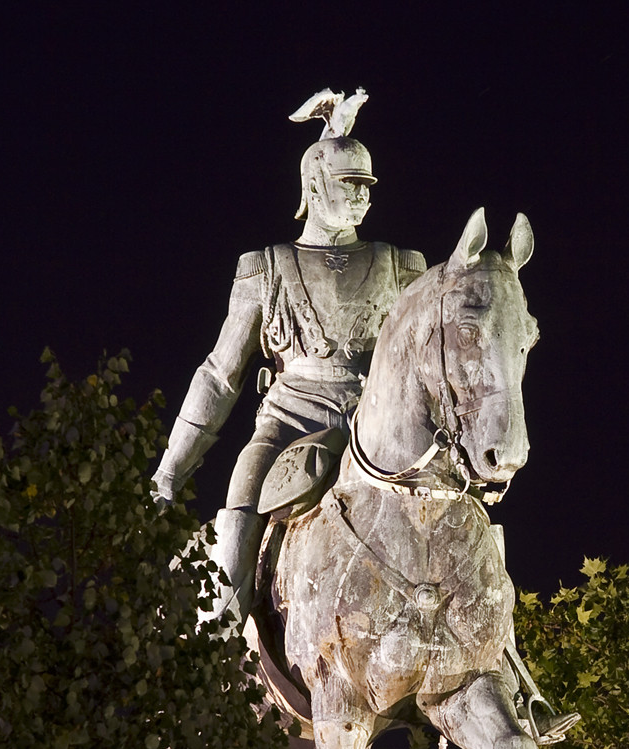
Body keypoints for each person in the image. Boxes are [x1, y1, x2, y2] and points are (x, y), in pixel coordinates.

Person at [151, 89, 426, 625]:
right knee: (237, 529)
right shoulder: (264, 269)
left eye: (367, 185)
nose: (363, 196)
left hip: (380, 430)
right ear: (314, 185)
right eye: (349, 183)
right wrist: (168, 475)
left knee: (461, 532)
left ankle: (506, 674)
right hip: (287, 427)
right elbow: (219, 377)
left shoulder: (403, 266)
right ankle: (221, 656)